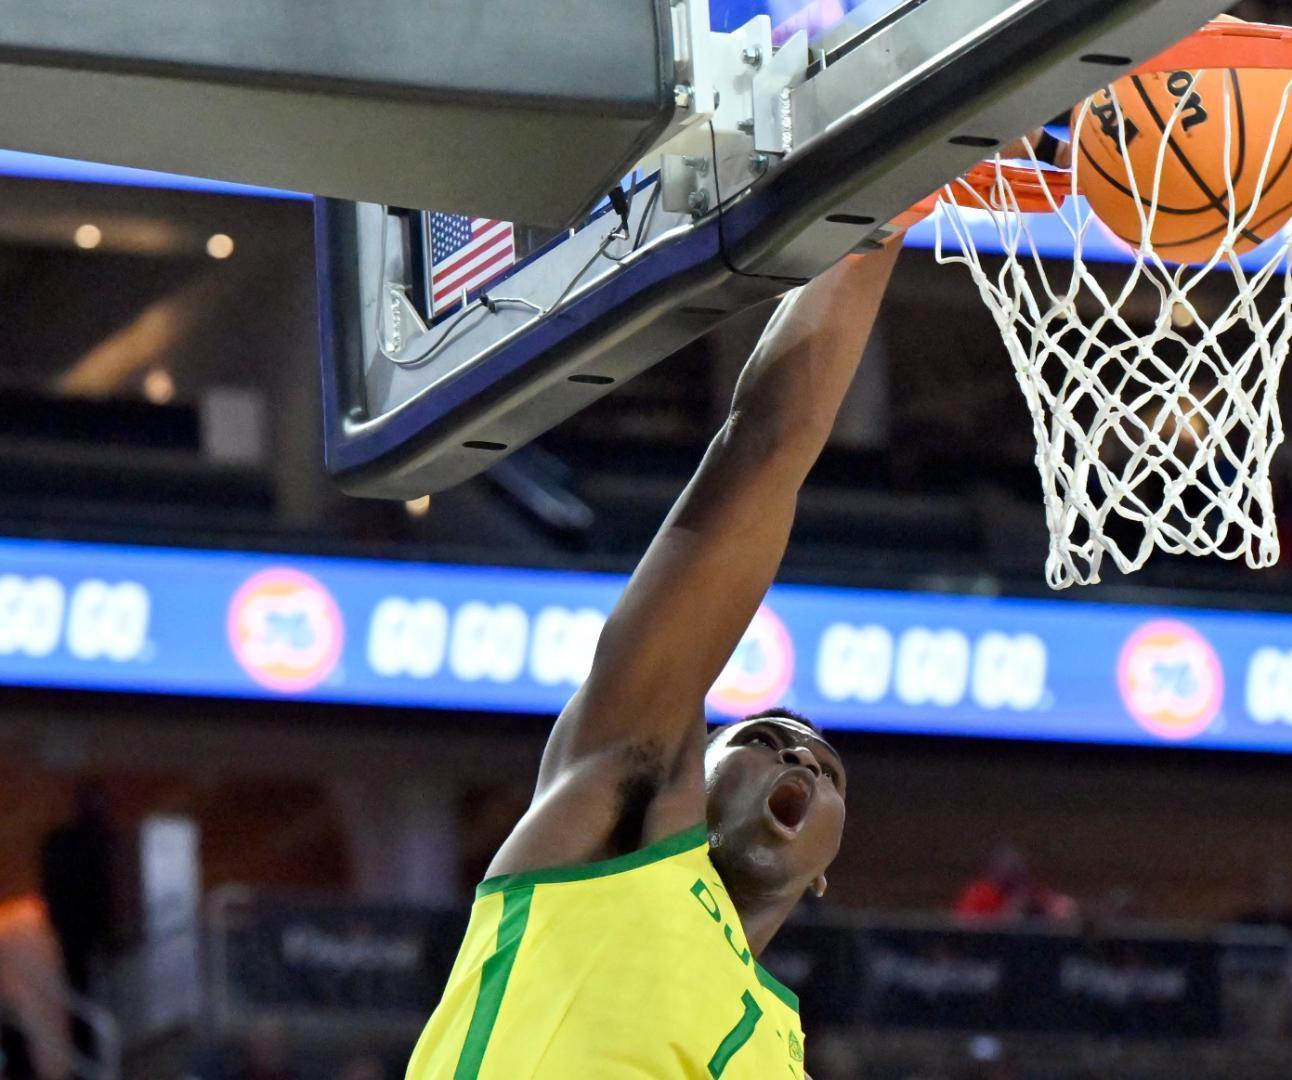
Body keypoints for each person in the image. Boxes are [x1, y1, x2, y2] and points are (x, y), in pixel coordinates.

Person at [405, 228, 906, 1076]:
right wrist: (881, 216)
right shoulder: (618, 819)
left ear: (823, 875)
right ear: (691, 774)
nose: (799, 756)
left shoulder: (781, 1050)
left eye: (827, 767)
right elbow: (761, 453)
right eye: (757, 740)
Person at [37, 781, 115, 999]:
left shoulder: (61, 841)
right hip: (88, 922)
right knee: (97, 981)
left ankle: (86, 1030)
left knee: (80, 981)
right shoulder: (102, 841)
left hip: (75, 924)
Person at [953, 844, 1077, 923]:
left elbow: (1062, 907)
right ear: (993, 869)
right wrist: (1010, 912)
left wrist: (1061, 907)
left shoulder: (1028, 891)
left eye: (1017, 867)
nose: (1014, 871)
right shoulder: (980, 892)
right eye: (1009, 867)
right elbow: (966, 924)